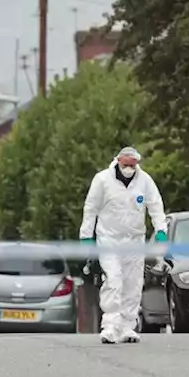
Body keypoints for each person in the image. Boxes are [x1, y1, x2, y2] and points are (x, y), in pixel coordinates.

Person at [79, 146, 167, 344]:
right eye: (125, 164)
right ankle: (110, 326)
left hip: (135, 240)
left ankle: (127, 326)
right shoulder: (102, 180)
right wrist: (86, 236)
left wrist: (161, 229)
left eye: (132, 165)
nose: (128, 168)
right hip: (109, 239)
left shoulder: (144, 181)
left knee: (133, 284)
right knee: (114, 280)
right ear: (118, 161)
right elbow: (90, 208)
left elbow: (155, 205)